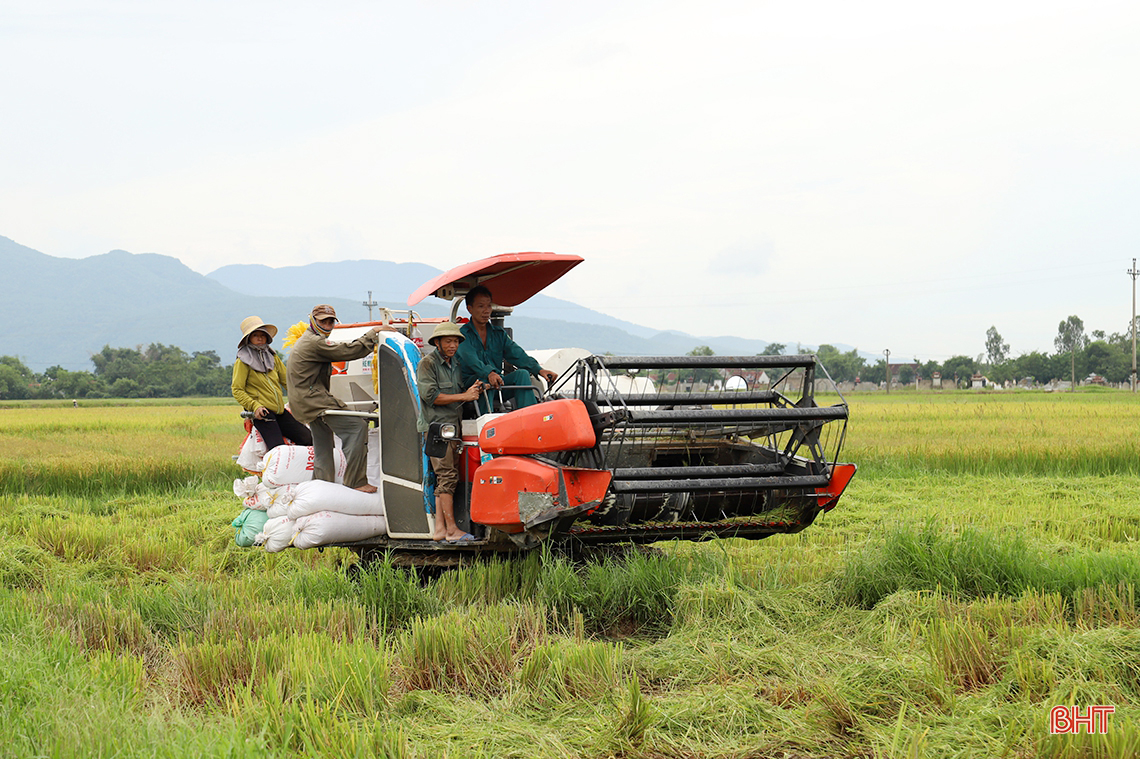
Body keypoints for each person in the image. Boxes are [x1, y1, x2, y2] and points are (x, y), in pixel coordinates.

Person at [287, 304, 387, 493]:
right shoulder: (315, 342)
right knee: (357, 427)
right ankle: (356, 481)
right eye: (323, 320)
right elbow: (348, 351)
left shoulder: (309, 339)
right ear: (313, 320)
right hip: (313, 399)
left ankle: (321, 485)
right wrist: (373, 334)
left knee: (323, 442)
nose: (328, 324)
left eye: (331, 321)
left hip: (305, 401)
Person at [417, 321, 483, 542]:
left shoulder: (455, 364)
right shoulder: (428, 364)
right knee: (447, 476)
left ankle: (440, 530)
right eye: (448, 341)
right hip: (436, 429)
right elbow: (431, 397)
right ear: (437, 342)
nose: (453, 345)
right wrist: (465, 396)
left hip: (452, 428)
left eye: (455, 341)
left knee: (445, 477)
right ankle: (452, 529)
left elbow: (458, 391)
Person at [457, 285, 558, 414]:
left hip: (497, 383)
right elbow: (472, 360)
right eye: (481, 306)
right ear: (469, 309)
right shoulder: (462, 335)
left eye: (489, 306)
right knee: (484, 380)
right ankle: (486, 424)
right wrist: (490, 373)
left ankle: (529, 418)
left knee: (522, 374)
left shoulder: (499, 334)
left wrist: (539, 370)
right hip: (473, 385)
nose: (486, 311)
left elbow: (517, 354)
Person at [231, 316, 313, 451]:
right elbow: (237, 389)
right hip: (262, 412)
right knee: (278, 448)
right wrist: (255, 406)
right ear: (248, 338)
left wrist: (303, 397)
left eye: (262, 335)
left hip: (279, 410)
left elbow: (287, 381)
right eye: (255, 335)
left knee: (308, 438)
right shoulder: (243, 360)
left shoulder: (272, 356)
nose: (259, 338)